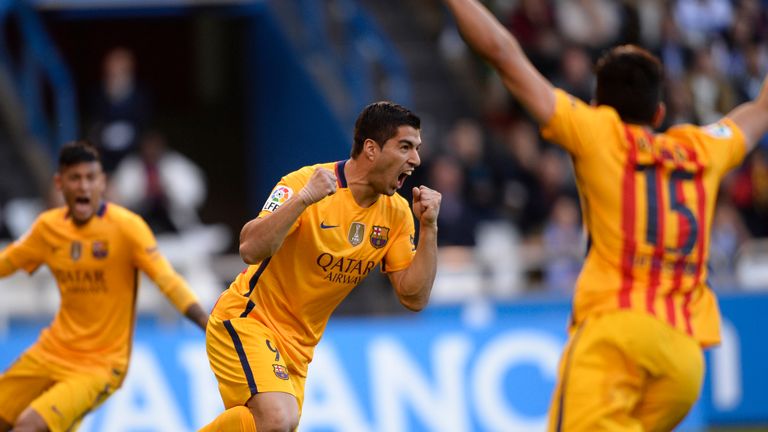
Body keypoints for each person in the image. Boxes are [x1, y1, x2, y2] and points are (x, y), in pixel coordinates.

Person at [441, 0, 768, 430]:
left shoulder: (597, 132)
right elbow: (760, 109)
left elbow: (504, 52)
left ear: (598, 103)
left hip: (617, 336)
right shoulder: (701, 148)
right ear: (659, 113)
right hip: (684, 360)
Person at [200, 101, 441, 432]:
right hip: (248, 320)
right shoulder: (305, 183)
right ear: (371, 149)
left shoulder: (398, 214)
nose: (415, 160)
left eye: (416, 149)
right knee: (278, 418)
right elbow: (249, 247)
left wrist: (429, 228)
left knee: (269, 425)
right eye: (405, 147)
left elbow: (413, 298)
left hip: (299, 349)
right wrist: (302, 201)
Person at [0, 141, 208, 432]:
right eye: (75, 178)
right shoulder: (48, 228)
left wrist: (207, 323)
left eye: (90, 178)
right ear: (60, 183)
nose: (83, 186)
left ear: (102, 182)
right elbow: (5, 264)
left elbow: (167, 280)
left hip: (100, 364)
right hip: (51, 350)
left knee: (29, 426)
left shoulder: (127, 228)